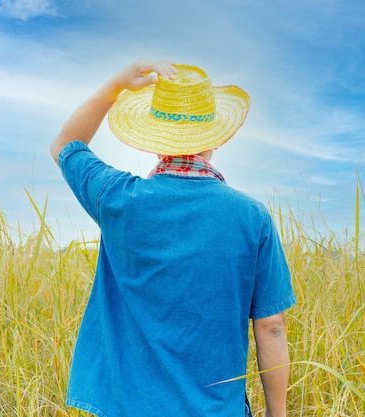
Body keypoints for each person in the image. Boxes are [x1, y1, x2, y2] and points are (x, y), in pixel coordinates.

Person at [50, 59, 296, 417]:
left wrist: (114, 87)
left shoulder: (116, 198)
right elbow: (271, 327)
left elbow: (64, 144)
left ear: (154, 136)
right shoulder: (251, 215)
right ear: (215, 135)